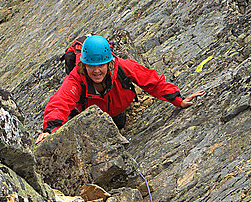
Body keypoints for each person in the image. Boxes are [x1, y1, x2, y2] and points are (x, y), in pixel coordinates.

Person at [35, 35, 204, 143]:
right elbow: (60, 102)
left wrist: (178, 100)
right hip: (87, 113)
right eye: (91, 66)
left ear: (109, 63)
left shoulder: (123, 67)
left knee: (119, 124)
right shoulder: (76, 78)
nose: (96, 71)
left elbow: (151, 81)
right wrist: (49, 131)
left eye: (101, 65)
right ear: (84, 65)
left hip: (115, 110)